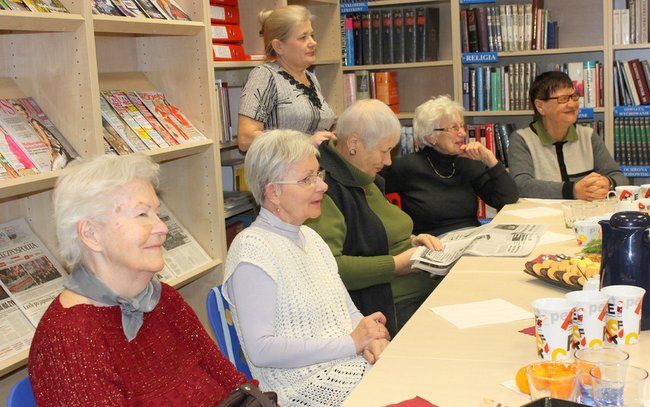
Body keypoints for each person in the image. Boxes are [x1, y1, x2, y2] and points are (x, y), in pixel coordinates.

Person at [28, 154, 251, 406]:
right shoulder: (70, 339)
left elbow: (234, 384)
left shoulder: (163, 299)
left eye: (157, 213)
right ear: (91, 234)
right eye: (142, 214)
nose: (162, 228)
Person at [223, 129, 390, 406]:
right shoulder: (252, 249)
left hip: (343, 366)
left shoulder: (310, 237)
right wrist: (352, 342)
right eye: (307, 179)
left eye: (318, 175)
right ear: (273, 192)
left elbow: (346, 310)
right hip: (298, 389)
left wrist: (371, 338)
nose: (322, 186)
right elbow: (261, 350)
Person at [305, 99, 444, 335]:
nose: (389, 161)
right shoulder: (326, 188)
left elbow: (380, 232)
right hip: (387, 308)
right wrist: (396, 265)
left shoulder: (364, 177)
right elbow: (331, 268)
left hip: (416, 292)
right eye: (384, 150)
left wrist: (413, 241)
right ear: (354, 143)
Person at [381, 95, 519, 237]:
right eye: (454, 128)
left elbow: (507, 198)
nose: (463, 133)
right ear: (431, 137)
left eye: (462, 126)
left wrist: (489, 159)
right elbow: (367, 192)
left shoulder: (467, 163)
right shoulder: (406, 166)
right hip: (432, 245)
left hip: (471, 239)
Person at [508, 71, 628, 200]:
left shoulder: (588, 136)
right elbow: (521, 185)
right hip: (543, 218)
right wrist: (573, 191)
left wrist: (608, 183)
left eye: (574, 96)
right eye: (563, 99)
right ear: (540, 106)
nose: (572, 104)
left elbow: (619, 177)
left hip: (585, 216)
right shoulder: (522, 139)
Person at [237, 5, 336, 152]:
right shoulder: (265, 76)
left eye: (312, 35)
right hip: (279, 173)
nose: (313, 43)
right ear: (278, 46)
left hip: (311, 171)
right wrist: (306, 142)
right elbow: (245, 139)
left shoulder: (310, 77)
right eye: (303, 37)